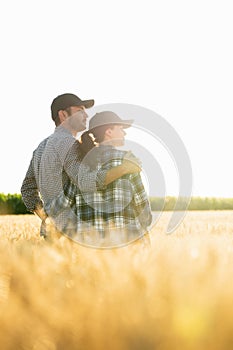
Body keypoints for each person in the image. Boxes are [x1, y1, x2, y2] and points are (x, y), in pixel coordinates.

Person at [21, 93, 141, 239]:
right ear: (63, 114)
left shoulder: (40, 147)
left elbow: (27, 189)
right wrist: (124, 168)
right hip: (74, 232)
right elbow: (85, 182)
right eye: (80, 111)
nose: (86, 115)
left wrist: (46, 217)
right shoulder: (69, 144)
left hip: (52, 232)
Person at [72, 111, 152, 247]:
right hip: (126, 242)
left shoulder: (79, 164)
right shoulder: (127, 161)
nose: (124, 134)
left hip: (90, 246)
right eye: (121, 129)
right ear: (109, 131)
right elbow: (142, 207)